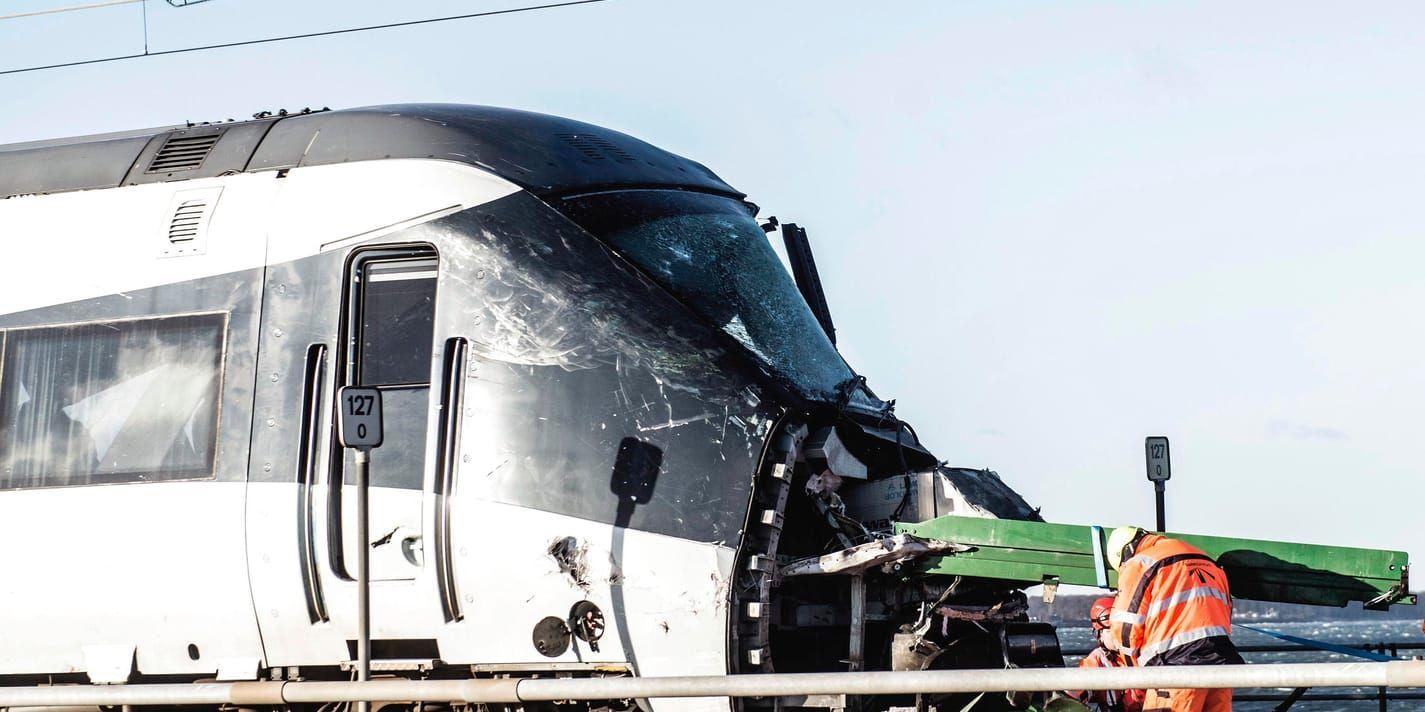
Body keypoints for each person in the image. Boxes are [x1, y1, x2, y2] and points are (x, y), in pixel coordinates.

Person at [1104, 526, 1244, 712]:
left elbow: (1125, 630)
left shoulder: (1139, 563)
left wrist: (1136, 685)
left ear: (1124, 553)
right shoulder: (1205, 559)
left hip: (1174, 672)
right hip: (1221, 669)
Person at [1072, 596, 1145, 712]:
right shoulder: (1096, 661)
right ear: (1099, 635)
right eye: (1110, 630)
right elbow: (1072, 694)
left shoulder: (1140, 652)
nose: (1116, 634)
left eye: (1118, 628)